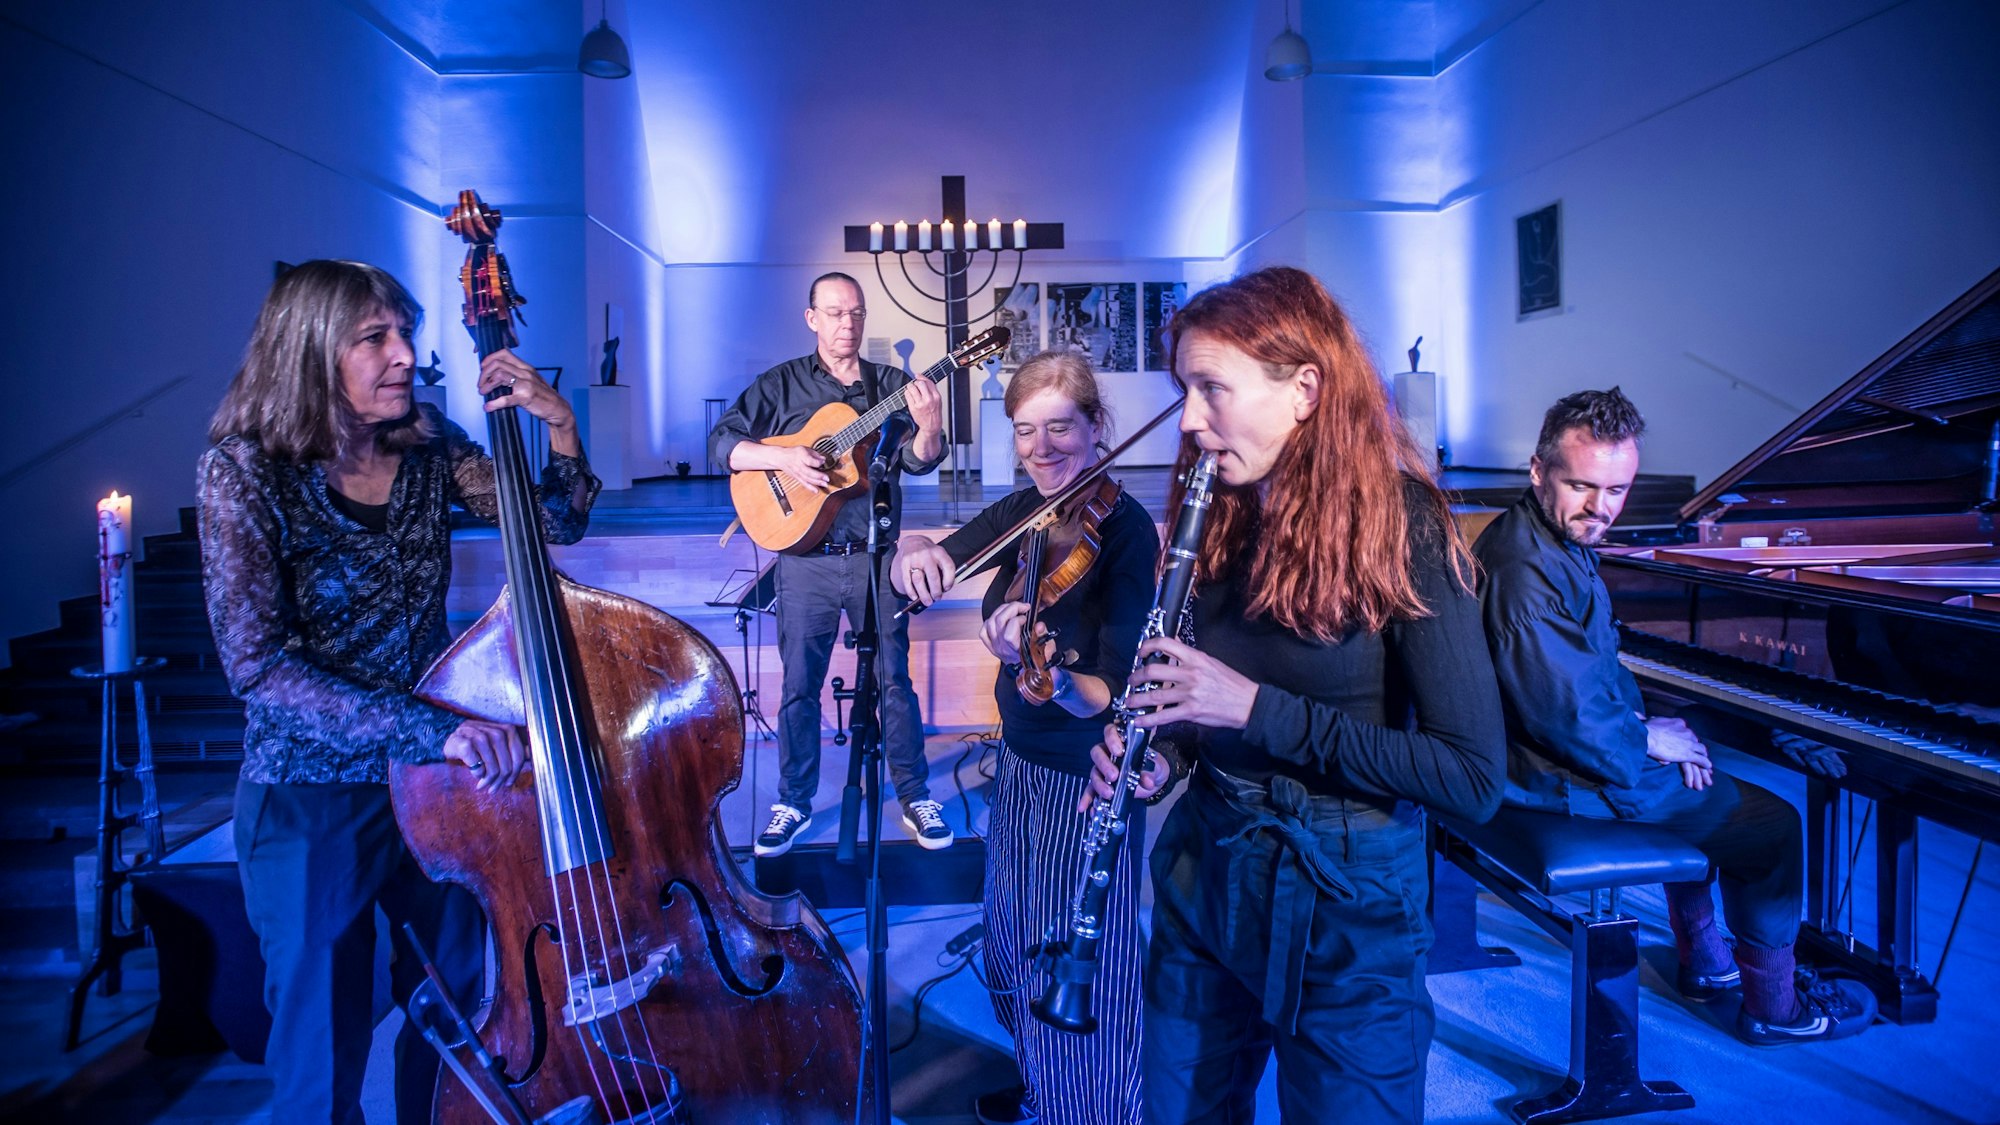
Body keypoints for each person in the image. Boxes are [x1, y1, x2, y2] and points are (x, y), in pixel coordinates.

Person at [1091, 267, 1506, 1123]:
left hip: (1350, 894)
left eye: (1211, 388)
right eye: (1184, 390)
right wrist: (1162, 758)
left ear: (1305, 390)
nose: (1190, 419)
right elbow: (1199, 705)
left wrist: (1254, 709)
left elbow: (1471, 776)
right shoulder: (1221, 509)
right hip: (1209, 861)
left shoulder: (1404, 524)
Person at [198, 260, 599, 1123]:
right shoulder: (243, 470)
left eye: (406, 334)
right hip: (311, 792)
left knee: (457, 1011)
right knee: (322, 1046)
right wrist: (430, 729)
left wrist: (561, 426)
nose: (405, 355)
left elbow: (552, 522)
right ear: (309, 350)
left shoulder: (425, 442)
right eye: (374, 338)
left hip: (432, 783)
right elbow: (258, 668)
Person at [1472, 387, 1877, 1045]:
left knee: (1700, 767)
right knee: (1773, 825)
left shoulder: (1543, 536)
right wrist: (1647, 737)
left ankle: (1707, 961)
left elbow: (1578, 679)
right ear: (1538, 470)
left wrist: (1656, 732)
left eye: (1617, 489)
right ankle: (1776, 1009)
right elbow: (1567, 717)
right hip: (1560, 773)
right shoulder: (1527, 573)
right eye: (1581, 485)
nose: (1600, 507)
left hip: (1558, 752)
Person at [894, 351, 1159, 1125]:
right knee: (1010, 945)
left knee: (1077, 961)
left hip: (1085, 778)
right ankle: (1047, 1085)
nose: (1040, 448)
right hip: (1018, 762)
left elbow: (1115, 692)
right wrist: (916, 552)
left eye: (1059, 428)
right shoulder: (1025, 512)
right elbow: (943, 553)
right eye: (1024, 430)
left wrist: (1048, 673)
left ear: (1096, 426)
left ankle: (1095, 1109)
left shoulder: (1126, 533)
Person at [710, 272, 953, 856]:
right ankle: (793, 801)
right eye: (837, 313)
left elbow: (920, 462)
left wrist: (931, 428)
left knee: (895, 681)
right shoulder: (781, 384)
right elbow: (723, 444)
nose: (849, 323)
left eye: (857, 313)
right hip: (804, 561)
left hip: (876, 559)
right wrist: (784, 459)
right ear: (812, 318)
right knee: (800, 686)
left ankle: (914, 794)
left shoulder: (891, 385)